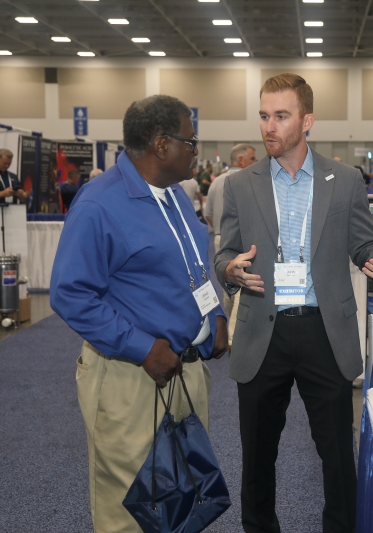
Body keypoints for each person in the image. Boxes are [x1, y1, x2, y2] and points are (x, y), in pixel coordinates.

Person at [215, 73, 373, 533]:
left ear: (307, 121)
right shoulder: (240, 185)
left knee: (338, 458)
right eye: (264, 116)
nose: (269, 126)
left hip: (324, 330)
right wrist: (229, 269)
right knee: (257, 458)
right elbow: (224, 253)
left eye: (281, 116)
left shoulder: (345, 180)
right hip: (263, 331)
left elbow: (364, 244)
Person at [50, 94, 228, 533]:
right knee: (132, 512)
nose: (196, 150)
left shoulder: (177, 196)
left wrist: (215, 316)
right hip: (131, 378)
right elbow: (70, 294)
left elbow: (193, 267)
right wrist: (142, 348)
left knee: (183, 501)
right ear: (161, 144)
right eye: (191, 141)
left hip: (185, 372)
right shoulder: (99, 204)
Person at [205, 143, 256, 347]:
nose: (255, 162)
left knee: (227, 282)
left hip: (220, 238)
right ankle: (235, 338)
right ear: (241, 160)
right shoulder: (249, 181)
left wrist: (222, 231)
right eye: (252, 158)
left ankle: (231, 331)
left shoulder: (216, 181)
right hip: (243, 241)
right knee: (242, 286)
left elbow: (208, 213)